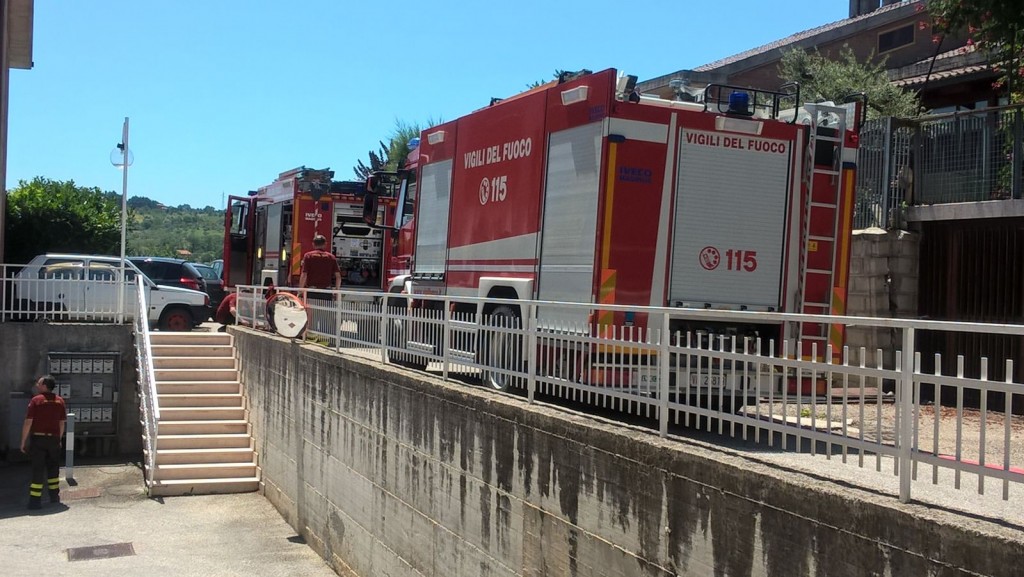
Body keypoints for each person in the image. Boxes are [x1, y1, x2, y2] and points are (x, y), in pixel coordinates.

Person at [20, 375, 67, 510]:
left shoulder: (36, 401)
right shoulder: (60, 401)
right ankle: (54, 496)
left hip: (38, 439)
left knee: (38, 469)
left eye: (39, 383)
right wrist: (59, 439)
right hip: (53, 439)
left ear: (45, 386)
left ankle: (35, 501)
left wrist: (23, 441)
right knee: (53, 469)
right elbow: (61, 423)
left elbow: (28, 422)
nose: (37, 385)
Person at [299, 234, 341, 337]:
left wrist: (300, 290)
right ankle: (324, 338)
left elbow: (304, 275)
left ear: (313, 244)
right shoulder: (331, 257)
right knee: (325, 316)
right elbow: (338, 276)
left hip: (312, 292)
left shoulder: (308, 256)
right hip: (326, 292)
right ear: (325, 244)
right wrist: (336, 290)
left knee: (310, 315)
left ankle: (310, 336)